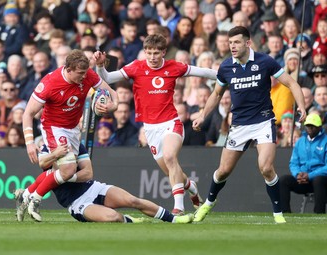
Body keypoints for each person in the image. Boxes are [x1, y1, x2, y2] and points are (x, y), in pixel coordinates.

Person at [192, 26, 307, 224]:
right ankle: (209, 203)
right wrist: (203, 115)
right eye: (230, 43)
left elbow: (292, 83)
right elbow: (217, 94)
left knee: (266, 167)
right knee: (223, 171)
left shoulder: (265, 61)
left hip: (264, 121)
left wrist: (302, 107)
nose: (232, 46)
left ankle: (278, 214)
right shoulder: (227, 66)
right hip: (239, 125)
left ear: (248, 42)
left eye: (236, 42)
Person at [94, 34, 217, 215]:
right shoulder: (136, 67)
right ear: (145, 52)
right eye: (149, 53)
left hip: (171, 122)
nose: (152, 57)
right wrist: (99, 66)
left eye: (156, 53)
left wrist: (226, 74)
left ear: (164, 52)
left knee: (169, 157)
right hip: (150, 128)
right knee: (171, 171)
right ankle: (191, 187)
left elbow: (203, 72)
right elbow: (107, 78)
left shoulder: (174, 67)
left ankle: (178, 208)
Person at [22, 49, 118, 221]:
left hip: (74, 129)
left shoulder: (88, 74)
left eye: (85, 72)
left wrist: (112, 106)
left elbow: (112, 93)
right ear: (68, 69)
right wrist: (29, 142)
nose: (83, 77)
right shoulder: (50, 82)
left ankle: (27, 193)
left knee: (84, 173)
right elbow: (28, 113)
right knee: (68, 169)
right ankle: (35, 198)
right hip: (54, 127)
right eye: (80, 73)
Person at [14, 142, 193, 223]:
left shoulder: (77, 145)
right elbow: (43, 165)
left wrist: (67, 175)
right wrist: (56, 154)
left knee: (133, 201)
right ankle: (129, 220)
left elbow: (88, 173)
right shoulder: (45, 147)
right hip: (77, 204)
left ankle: (174, 219)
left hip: (93, 188)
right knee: (112, 217)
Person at [280, 113, 327, 214]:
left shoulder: (325, 141)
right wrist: (298, 174)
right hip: (303, 180)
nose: (309, 128)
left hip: (322, 181)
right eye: (308, 125)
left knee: (318, 180)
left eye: (312, 126)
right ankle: (285, 213)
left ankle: (319, 213)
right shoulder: (300, 141)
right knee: (283, 180)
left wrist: (309, 175)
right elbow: (293, 163)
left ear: (319, 127)